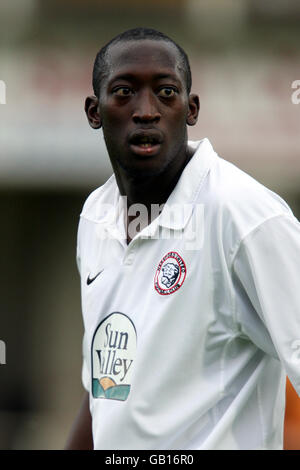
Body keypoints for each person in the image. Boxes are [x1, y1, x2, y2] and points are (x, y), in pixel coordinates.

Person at [65, 27, 300, 450]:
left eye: (166, 93)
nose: (146, 111)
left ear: (190, 110)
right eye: (124, 92)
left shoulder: (246, 216)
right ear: (94, 112)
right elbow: (105, 388)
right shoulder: (94, 217)